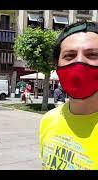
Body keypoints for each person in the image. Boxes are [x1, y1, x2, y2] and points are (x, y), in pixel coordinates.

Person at [39, 21, 98, 170]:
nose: (79, 62)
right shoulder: (48, 120)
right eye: (69, 55)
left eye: (92, 55)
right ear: (57, 67)